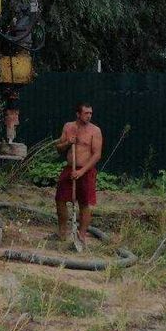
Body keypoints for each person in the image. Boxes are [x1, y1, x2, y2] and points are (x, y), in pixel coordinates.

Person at [54, 102, 102, 244]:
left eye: (91, 113)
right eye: (86, 113)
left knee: (84, 203)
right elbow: (59, 148)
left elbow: (97, 155)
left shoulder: (95, 131)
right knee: (60, 199)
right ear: (78, 114)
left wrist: (82, 171)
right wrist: (68, 143)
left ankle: (81, 235)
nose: (89, 116)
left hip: (86, 170)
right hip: (70, 168)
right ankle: (62, 232)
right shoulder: (68, 127)